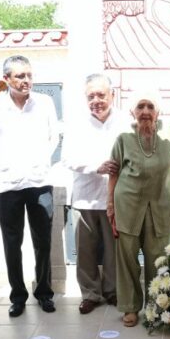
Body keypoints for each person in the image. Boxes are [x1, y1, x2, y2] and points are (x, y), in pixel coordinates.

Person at [107, 90, 170, 327]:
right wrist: (110, 206)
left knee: (158, 259)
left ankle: (157, 305)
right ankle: (130, 307)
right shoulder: (123, 137)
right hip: (127, 204)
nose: (145, 112)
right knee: (127, 257)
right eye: (141, 107)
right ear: (133, 111)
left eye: (150, 107)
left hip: (160, 204)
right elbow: (114, 172)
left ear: (158, 112)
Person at [0, 55, 60, 317]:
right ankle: (17, 296)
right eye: (20, 76)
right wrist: (5, 166)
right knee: (12, 243)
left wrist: (39, 162)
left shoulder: (44, 103)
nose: (26, 80)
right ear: (7, 79)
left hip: (40, 182)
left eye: (29, 75)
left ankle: (44, 292)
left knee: (43, 241)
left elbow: (53, 137)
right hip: (8, 184)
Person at [63, 74, 127, 314]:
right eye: (91, 96)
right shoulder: (76, 123)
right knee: (86, 251)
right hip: (85, 197)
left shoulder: (124, 122)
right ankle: (90, 294)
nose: (96, 100)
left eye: (101, 94)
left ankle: (112, 291)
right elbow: (67, 158)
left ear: (112, 95)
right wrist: (95, 166)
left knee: (113, 250)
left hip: (117, 198)